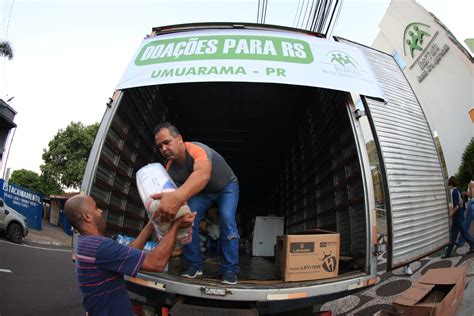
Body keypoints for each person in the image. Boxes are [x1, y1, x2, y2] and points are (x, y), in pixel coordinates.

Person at [64, 194, 196, 316]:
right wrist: (175, 226)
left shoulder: (84, 243)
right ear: (87, 217)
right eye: (96, 208)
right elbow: (157, 263)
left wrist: (151, 223)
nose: (101, 211)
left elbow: (129, 251)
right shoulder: (101, 247)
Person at [152, 122, 240, 285]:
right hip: (204, 193)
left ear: (179, 139)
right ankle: (194, 265)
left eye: (166, 142)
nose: (163, 149)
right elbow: (170, 197)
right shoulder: (169, 169)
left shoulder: (197, 150)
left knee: (227, 217)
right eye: (159, 146)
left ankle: (230, 269)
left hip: (226, 186)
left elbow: (202, 175)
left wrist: (176, 197)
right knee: (187, 218)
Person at [443, 176, 474, 258]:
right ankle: (449, 252)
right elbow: (460, 202)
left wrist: (451, 214)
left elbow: (456, 206)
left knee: (455, 233)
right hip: (460, 214)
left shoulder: (453, 192)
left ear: (450, 184)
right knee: (461, 232)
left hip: (457, 216)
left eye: (449, 184)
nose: (449, 186)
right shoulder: (458, 190)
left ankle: (448, 253)